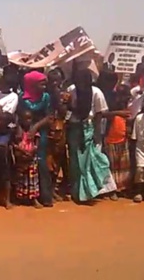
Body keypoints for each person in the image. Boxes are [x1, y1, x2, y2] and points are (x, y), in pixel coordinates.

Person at [67, 69, 113, 203]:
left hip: (88, 128)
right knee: (75, 161)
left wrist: (97, 133)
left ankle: (88, 191)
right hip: (74, 127)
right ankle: (77, 191)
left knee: (88, 162)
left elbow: (99, 114)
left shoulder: (96, 93)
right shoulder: (72, 90)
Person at [19, 71, 54, 207]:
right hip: (26, 135)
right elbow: (19, 117)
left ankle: (45, 196)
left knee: (42, 164)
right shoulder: (22, 98)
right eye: (41, 83)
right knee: (27, 164)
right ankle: (28, 195)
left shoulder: (46, 97)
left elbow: (49, 116)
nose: (44, 86)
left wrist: (36, 127)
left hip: (41, 133)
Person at [104, 84, 132, 199]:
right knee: (112, 166)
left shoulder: (128, 107)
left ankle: (121, 188)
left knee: (123, 166)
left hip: (123, 139)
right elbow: (104, 115)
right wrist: (118, 113)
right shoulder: (111, 106)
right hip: (111, 139)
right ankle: (112, 190)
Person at [14, 109, 42, 208]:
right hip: (21, 158)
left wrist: (31, 152)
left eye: (29, 118)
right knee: (21, 179)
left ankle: (34, 199)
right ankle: (21, 197)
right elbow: (14, 144)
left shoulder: (34, 131)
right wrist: (23, 152)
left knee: (32, 179)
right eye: (25, 119)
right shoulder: (18, 131)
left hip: (31, 158)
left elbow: (37, 144)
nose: (27, 121)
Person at [46, 92, 69, 201]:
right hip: (51, 147)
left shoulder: (64, 121)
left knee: (56, 169)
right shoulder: (52, 119)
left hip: (60, 145)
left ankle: (53, 190)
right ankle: (49, 192)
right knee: (50, 168)